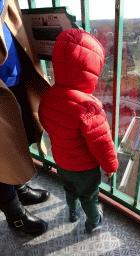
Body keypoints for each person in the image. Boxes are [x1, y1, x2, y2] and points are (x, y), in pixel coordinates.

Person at [38, 28, 119, 233]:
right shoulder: (89, 107)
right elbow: (102, 143)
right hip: (85, 169)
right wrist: (111, 166)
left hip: (62, 162)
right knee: (89, 197)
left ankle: (73, 212)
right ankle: (94, 220)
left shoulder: (49, 95)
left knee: (70, 190)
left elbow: (45, 121)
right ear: (90, 68)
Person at [0, 0, 51, 235]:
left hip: (13, 74)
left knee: (17, 137)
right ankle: (14, 215)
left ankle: (19, 186)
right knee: (1, 151)